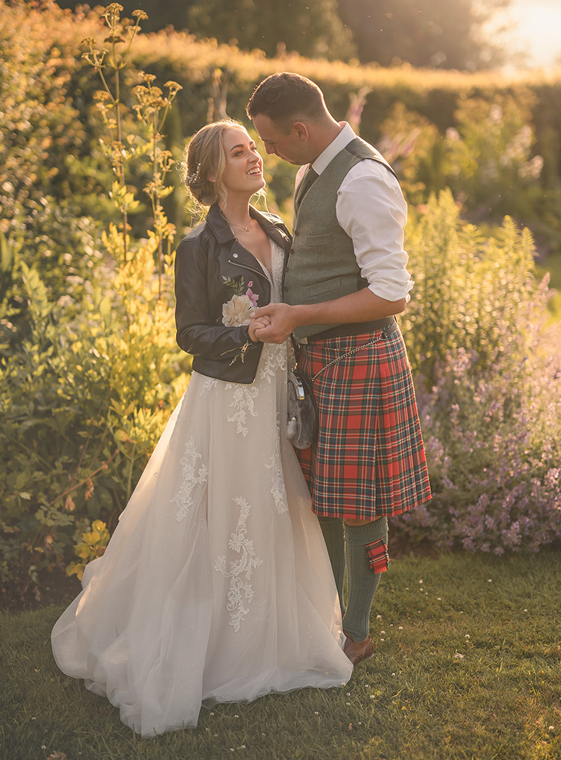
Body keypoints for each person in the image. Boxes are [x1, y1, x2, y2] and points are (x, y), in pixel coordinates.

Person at [51, 119, 353, 737]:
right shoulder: (198, 245)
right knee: (214, 517)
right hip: (226, 400)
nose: (253, 158)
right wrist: (246, 333)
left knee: (272, 513)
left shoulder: (276, 229)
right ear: (214, 172)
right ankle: (207, 645)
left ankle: (272, 640)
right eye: (238, 152)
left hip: (273, 396)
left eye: (252, 148)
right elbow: (189, 334)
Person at [247, 72, 431, 665]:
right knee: (324, 497)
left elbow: (393, 293)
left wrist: (300, 313)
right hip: (322, 362)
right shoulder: (312, 170)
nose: (268, 153)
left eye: (272, 141)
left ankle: (356, 634)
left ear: (301, 129)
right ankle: (323, 619)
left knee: (360, 505)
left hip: (361, 360)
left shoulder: (364, 179)